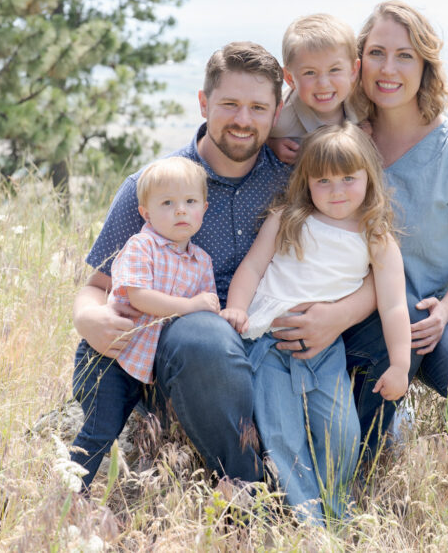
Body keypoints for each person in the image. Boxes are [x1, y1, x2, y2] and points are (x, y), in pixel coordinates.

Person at [72, 41, 378, 485]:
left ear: (277, 114)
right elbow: (97, 284)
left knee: (394, 326)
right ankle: (251, 488)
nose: (242, 120)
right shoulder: (157, 185)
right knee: (205, 333)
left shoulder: (294, 181)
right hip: (183, 355)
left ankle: (359, 469)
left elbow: (365, 258)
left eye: (258, 107)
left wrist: (339, 315)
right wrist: (88, 318)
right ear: (203, 103)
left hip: (272, 340)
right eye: (229, 104)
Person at [280, 1, 448, 463]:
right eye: (378, 53)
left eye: (405, 56)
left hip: (430, 308)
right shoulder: (337, 142)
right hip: (343, 301)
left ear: (426, 66)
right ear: (359, 63)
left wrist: (445, 311)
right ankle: (357, 472)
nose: (389, 69)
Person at [221, 123, 411, 524]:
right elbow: (253, 267)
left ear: (368, 178)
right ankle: (308, 523)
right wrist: (236, 308)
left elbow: (394, 304)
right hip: (267, 342)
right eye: (323, 180)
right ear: (306, 182)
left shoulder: (376, 235)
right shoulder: (287, 218)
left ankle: (335, 510)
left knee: (341, 433)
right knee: (282, 433)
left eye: (348, 179)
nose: (337, 190)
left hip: (325, 350)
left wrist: (400, 365)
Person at [70, 157, 219, 485]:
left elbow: (205, 311)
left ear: (204, 208)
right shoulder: (142, 246)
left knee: (131, 434)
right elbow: (139, 296)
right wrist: (191, 305)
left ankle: (102, 492)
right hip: (109, 357)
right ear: (146, 213)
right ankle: (68, 495)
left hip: (143, 367)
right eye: (167, 203)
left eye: (190, 202)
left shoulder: (201, 261)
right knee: (100, 431)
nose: (180, 210)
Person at [267, 13, 363, 165]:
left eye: (334, 70)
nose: (323, 83)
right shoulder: (278, 118)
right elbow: (250, 135)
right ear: (290, 78)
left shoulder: (363, 105)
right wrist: (270, 144)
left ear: (353, 71)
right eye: (310, 73)